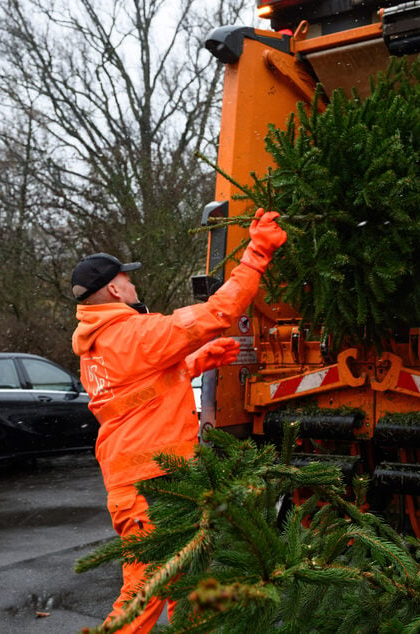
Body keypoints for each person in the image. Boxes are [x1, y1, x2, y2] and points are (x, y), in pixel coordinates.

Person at [71, 208, 287, 633]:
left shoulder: (96, 344)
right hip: (155, 486)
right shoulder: (137, 332)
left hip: (139, 484)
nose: (133, 284)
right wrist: (257, 252)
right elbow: (218, 312)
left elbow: (137, 390)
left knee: (186, 589)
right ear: (114, 289)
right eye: (128, 279)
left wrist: (193, 362)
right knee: (142, 596)